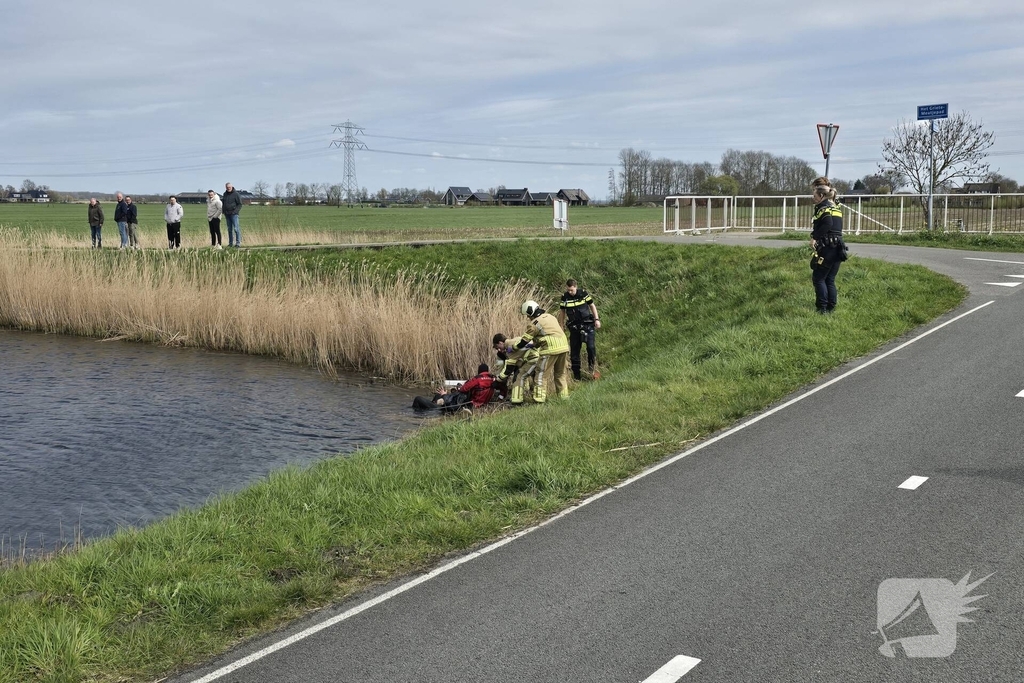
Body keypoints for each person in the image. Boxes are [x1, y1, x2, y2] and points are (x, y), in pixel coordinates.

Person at [516, 300, 570, 403]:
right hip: (563, 346)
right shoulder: (550, 316)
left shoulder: (534, 323)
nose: (528, 318)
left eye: (528, 315)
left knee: (541, 374)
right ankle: (563, 397)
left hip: (550, 349)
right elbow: (547, 334)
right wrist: (535, 344)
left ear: (530, 312)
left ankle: (539, 399)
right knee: (560, 373)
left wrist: (514, 347)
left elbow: (524, 341)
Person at [810, 178, 846, 314]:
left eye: (814, 196)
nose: (813, 198)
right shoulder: (836, 206)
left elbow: (827, 224)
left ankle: (822, 309)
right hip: (838, 246)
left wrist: (814, 238)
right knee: (830, 279)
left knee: (818, 278)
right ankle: (831, 307)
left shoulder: (823, 207)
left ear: (821, 195)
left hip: (828, 247)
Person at [558, 278, 601, 381]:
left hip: (587, 325)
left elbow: (592, 306)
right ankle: (577, 376)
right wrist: (561, 325)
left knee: (591, 348)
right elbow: (562, 312)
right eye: (568, 290)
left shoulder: (583, 294)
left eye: (571, 290)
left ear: (575, 287)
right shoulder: (565, 297)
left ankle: (592, 370)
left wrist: (596, 319)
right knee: (574, 352)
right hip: (574, 327)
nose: (570, 292)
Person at [492, 333, 540, 405]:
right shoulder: (515, 340)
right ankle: (537, 398)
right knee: (537, 378)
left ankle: (517, 401)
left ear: (500, 343)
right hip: (539, 359)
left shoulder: (509, 348)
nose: (498, 350)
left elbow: (508, 368)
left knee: (518, 377)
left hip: (532, 360)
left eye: (497, 347)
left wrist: (498, 380)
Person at [222, 182, 242, 247]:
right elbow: (223, 203)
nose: (228, 188)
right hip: (227, 214)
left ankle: (238, 243)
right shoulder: (225, 194)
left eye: (229, 187)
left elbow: (239, 204)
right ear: (226, 188)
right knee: (229, 229)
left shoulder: (236, 194)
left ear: (232, 187)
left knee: (236, 229)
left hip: (234, 214)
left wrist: (235, 211)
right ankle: (230, 243)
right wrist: (223, 211)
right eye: (227, 187)